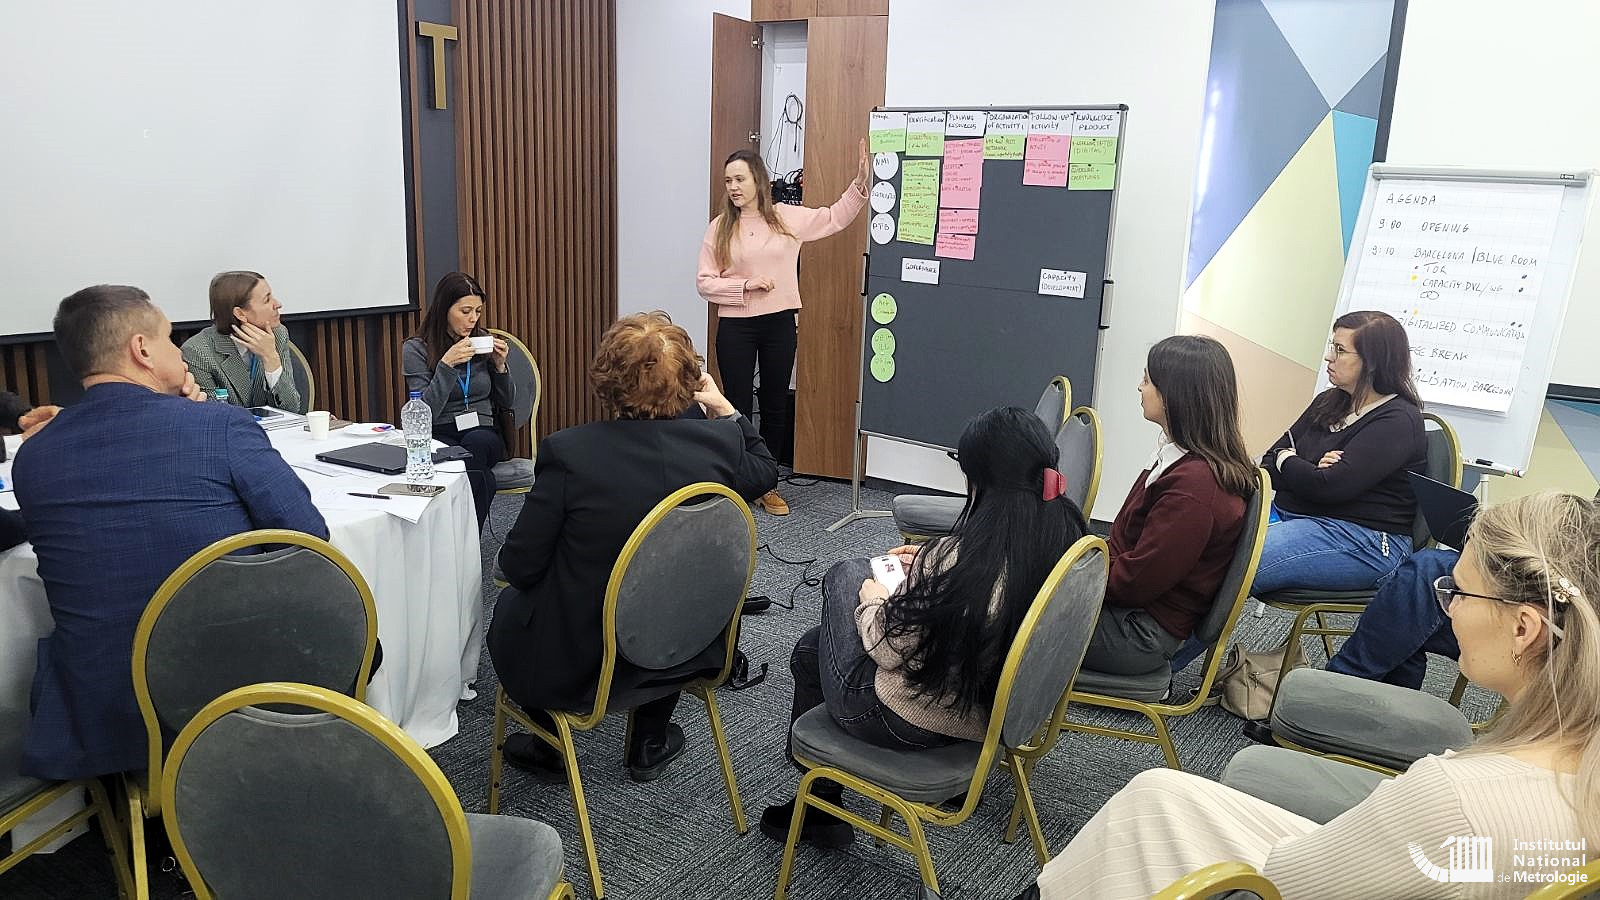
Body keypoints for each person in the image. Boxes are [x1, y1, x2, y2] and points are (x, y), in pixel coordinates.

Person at [1017, 491, 1596, 899]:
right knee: (1158, 795)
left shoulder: (1452, 798)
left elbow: (1287, 881)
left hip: (1302, 879)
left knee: (1144, 817)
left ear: (1524, 628)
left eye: (1459, 593)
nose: (1447, 607)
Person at [12, 285, 328, 781]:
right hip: (234, 696)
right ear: (141, 349)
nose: (180, 352)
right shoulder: (220, 427)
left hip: (102, 710)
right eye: (169, 339)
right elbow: (309, 543)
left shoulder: (34, 455)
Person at [759, 406, 1090, 849]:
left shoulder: (956, 562)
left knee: (847, 574)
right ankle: (820, 798)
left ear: (982, 482)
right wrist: (930, 571)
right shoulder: (1065, 537)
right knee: (809, 651)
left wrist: (876, 598)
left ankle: (817, 805)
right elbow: (980, 602)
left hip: (908, 719)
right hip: (987, 712)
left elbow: (884, 647)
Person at [488, 311, 776, 783]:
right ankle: (649, 739)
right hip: (691, 646)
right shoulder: (720, 445)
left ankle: (550, 746)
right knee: (672, 585)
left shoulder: (571, 453)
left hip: (590, 661)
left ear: (607, 381)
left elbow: (520, 566)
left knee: (510, 607)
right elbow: (765, 471)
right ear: (691, 383)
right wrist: (726, 410)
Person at [696, 140, 870, 517]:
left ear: (758, 180)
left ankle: (766, 482)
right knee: (735, 405)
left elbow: (833, 218)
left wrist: (859, 185)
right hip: (735, 326)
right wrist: (745, 286)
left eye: (740, 179)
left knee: (775, 402)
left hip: (779, 323)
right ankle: (735, 481)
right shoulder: (719, 228)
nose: (733, 187)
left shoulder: (786, 218)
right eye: (728, 181)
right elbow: (704, 283)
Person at [1081, 335, 1256, 677]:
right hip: (1131, 611)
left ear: (1175, 395)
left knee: (1008, 611)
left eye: (1147, 380)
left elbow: (1136, 583)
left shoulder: (1195, 489)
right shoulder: (1181, 458)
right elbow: (1128, 542)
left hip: (1138, 633)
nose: (1140, 387)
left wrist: (1069, 579)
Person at [1253, 310, 1427, 595]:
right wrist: (1308, 468)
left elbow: (1329, 488)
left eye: (1340, 350)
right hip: (1297, 516)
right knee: (1208, 546)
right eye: (1332, 347)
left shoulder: (1398, 420)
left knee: (1237, 566)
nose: (1328, 357)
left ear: (1372, 362)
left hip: (1365, 539)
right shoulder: (1329, 401)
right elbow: (1270, 463)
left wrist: (1291, 460)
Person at [402, 272, 515, 524]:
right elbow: (424, 411)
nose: (472, 319)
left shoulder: (482, 341)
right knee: (482, 477)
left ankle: (459, 534)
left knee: (475, 444)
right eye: (465, 311)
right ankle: (467, 538)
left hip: (483, 429)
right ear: (444, 309)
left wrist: (500, 367)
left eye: (477, 311)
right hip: (440, 431)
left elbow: (507, 402)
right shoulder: (416, 349)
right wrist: (446, 365)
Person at [181, 270, 308, 413]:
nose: (278, 304)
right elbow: (213, 417)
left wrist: (271, 358)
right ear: (240, 314)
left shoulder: (277, 335)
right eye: (267, 300)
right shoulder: (198, 352)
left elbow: (292, 409)